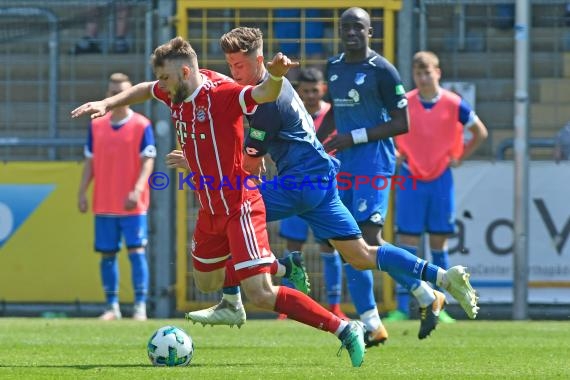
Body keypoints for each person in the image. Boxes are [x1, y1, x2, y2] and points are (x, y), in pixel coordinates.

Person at [72, 36, 367, 368]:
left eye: (166, 80)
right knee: (207, 281)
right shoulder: (174, 91)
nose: (162, 87)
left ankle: (343, 328)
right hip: (210, 209)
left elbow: (263, 94)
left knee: (261, 295)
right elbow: (144, 88)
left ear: (185, 72)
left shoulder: (222, 94)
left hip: (241, 203)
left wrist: (277, 76)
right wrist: (107, 104)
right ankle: (281, 265)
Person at [177, 24, 479, 345]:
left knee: (230, 212)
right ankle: (444, 278)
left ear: (260, 60)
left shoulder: (267, 104)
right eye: (230, 65)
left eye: (240, 65)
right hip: (322, 181)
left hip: (300, 183)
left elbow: (249, 164)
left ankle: (240, 297)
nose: (234, 72)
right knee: (361, 254)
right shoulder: (272, 86)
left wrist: (197, 160)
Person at [317, 7, 471, 339]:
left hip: (374, 162)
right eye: (346, 27)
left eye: (358, 27)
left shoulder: (383, 71)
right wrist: (316, 147)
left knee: (368, 239)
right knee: (347, 244)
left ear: (370, 32)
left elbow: (402, 124)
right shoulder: (333, 67)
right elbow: (335, 113)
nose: (352, 32)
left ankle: (422, 294)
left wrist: (353, 137)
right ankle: (385, 317)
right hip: (344, 164)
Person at [391, 51, 488, 323]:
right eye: (418, 73)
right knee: (406, 244)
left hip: (441, 178)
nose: (423, 78)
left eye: (427, 72)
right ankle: (403, 306)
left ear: (438, 72)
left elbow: (480, 131)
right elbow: (386, 131)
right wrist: (396, 153)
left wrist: (460, 157)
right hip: (410, 177)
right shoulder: (404, 102)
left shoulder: (453, 103)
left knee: (438, 242)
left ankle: (438, 306)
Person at [77, 72, 155, 321]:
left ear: (129, 94)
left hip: (132, 204)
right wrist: (81, 192)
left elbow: (148, 161)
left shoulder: (142, 125)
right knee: (107, 255)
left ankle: (140, 306)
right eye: (112, 91)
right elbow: (89, 162)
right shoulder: (96, 125)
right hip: (105, 203)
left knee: (136, 252)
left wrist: (138, 189)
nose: (115, 96)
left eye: (120, 91)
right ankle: (112, 306)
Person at [278, 67, 347, 320]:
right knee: (292, 247)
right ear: (298, 91)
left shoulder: (333, 115)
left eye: (314, 90)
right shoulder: (291, 114)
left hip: (323, 191)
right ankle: (289, 306)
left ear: (324, 90)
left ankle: (334, 305)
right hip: (294, 187)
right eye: (305, 91)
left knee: (328, 248)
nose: (310, 95)